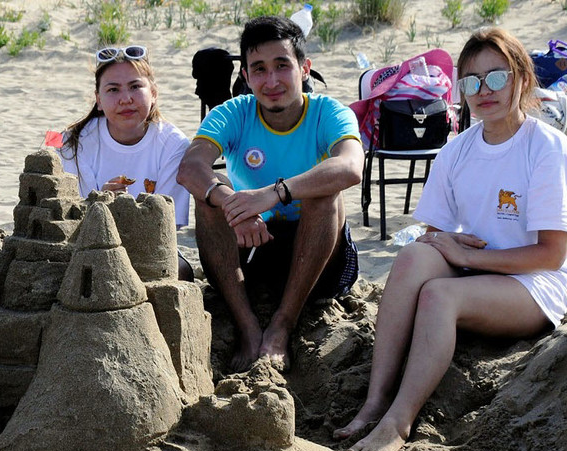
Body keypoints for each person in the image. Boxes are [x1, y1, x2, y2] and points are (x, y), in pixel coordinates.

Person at [334, 27, 567, 451]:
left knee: (438, 296)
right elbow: (434, 234)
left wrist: (464, 254)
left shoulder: (546, 147)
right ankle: (374, 401)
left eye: (497, 77)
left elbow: (551, 254)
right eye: (470, 82)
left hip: (533, 284)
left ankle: (398, 420)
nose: (484, 91)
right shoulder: (456, 150)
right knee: (412, 256)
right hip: (478, 269)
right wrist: (446, 244)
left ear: (521, 78)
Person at [177, 16, 364, 372]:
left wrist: (274, 193)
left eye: (282, 66)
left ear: (304, 69)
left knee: (324, 192)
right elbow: (191, 168)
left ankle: (282, 324)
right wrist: (230, 203)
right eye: (259, 69)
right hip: (253, 249)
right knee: (209, 198)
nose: (272, 80)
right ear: (245, 77)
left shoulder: (328, 112)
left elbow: (351, 167)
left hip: (321, 259)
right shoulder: (233, 112)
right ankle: (247, 326)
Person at [60, 44, 193, 233]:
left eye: (135, 86)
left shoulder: (174, 144)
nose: (126, 99)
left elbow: (167, 226)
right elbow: (69, 220)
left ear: (153, 94)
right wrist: (100, 203)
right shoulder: (72, 142)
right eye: (113, 90)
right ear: (99, 100)